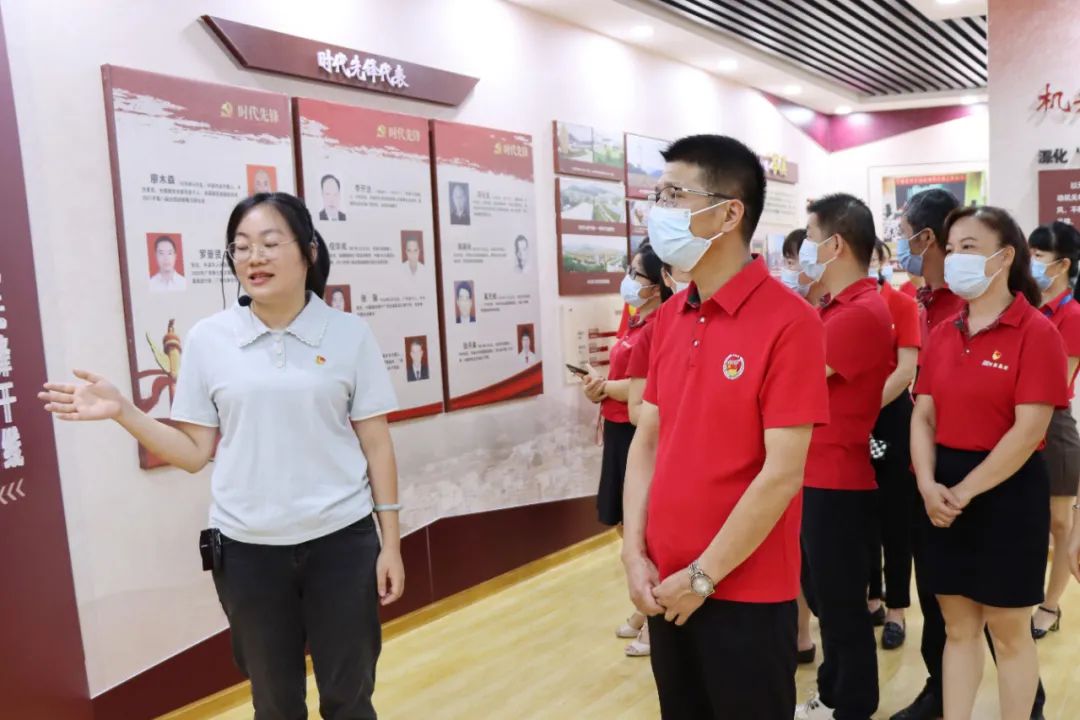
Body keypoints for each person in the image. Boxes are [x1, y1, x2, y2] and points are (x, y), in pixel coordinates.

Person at [39, 192, 404, 720]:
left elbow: (377, 444)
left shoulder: (350, 335)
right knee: (274, 705)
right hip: (249, 553)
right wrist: (124, 411)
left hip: (342, 543)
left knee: (350, 700)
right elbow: (193, 453)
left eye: (270, 243)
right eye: (241, 247)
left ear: (309, 251)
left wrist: (390, 543)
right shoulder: (210, 340)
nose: (254, 257)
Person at [625, 134, 828, 719]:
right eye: (657, 196)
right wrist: (633, 553)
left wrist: (703, 576)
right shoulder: (670, 316)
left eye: (673, 195)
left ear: (729, 212)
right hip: (665, 584)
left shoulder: (791, 323)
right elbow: (647, 441)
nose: (658, 210)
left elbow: (782, 473)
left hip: (744, 591)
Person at [912, 205, 1066, 720]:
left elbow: (1028, 432)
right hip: (942, 493)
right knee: (957, 628)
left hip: (1008, 492)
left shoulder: (1036, 332)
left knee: (1009, 631)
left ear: (1003, 257)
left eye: (969, 247)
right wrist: (928, 484)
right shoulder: (943, 331)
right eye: (952, 248)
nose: (955, 258)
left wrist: (964, 491)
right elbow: (923, 416)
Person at [795, 194, 893, 720]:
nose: (803, 250)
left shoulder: (859, 313)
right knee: (827, 599)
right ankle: (834, 694)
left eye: (810, 238)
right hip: (815, 474)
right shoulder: (834, 308)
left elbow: (793, 382)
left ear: (834, 244)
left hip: (836, 478)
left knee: (839, 605)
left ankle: (851, 704)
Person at [584, 241, 672, 658]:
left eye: (636, 274)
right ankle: (643, 605)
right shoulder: (637, 321)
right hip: (618, 428)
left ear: (658, 284)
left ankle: (655, 613)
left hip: (638, 431)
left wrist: (605, 387)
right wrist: (602, 388)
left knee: (644, 527)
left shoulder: (660, 326)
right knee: (626, 524)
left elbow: (642, 397)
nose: (629, 281)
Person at [866, 241, 921, 652]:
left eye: (873, 257)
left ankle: (897, 608)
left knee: (895, 518)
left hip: (890, 417)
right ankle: (872, 598)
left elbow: (905, 371)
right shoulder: (836, 306)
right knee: (861, 514)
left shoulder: (900, 304)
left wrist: (863, 409)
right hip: (848, 423)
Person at [1028, 221, 1080, 639]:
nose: (1030, 263)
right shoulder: (1025, 307)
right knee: (1026, 518)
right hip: (1018, 421)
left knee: (1060, 524)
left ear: (1062, 265)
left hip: (1055, 424)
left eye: (1038, 256)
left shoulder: (1072, 314)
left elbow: (1057, 383)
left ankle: (1050, 604)